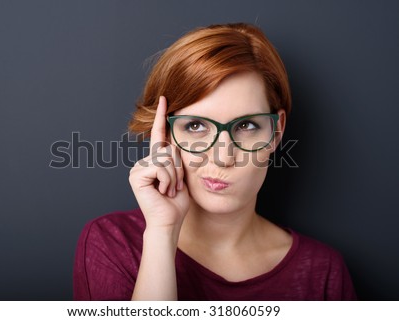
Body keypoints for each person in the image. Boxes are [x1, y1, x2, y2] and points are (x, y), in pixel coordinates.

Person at [73, 23, 357, 300]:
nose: (223, 157)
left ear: (276, 132)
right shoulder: (111, 243)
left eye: (246, 126)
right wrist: (162, 232)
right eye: (195, 126)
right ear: (165, 134)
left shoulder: (323, 272)